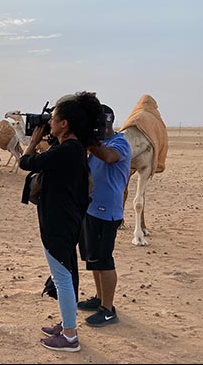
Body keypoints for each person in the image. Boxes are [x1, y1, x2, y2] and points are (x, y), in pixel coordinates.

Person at [19, 91, 103, 352]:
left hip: (58, 222)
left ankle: (69, 337)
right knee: (66, 274)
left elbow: (26, 161)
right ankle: (67, 325)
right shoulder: (73, 149)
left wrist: (32, 141)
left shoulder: (68, 150)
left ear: (64, 124)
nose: (50, 122)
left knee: (63, 277)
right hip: (65, 220)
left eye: (54, 118)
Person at [77, 104, 131, 326]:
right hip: (91, 209)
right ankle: (99, 299)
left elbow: (109, 157)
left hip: (107, 212)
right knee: (94, 260)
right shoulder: (97, 145)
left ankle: (108, 310)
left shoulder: (119, 143)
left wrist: (87, 140)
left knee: (105, 261)